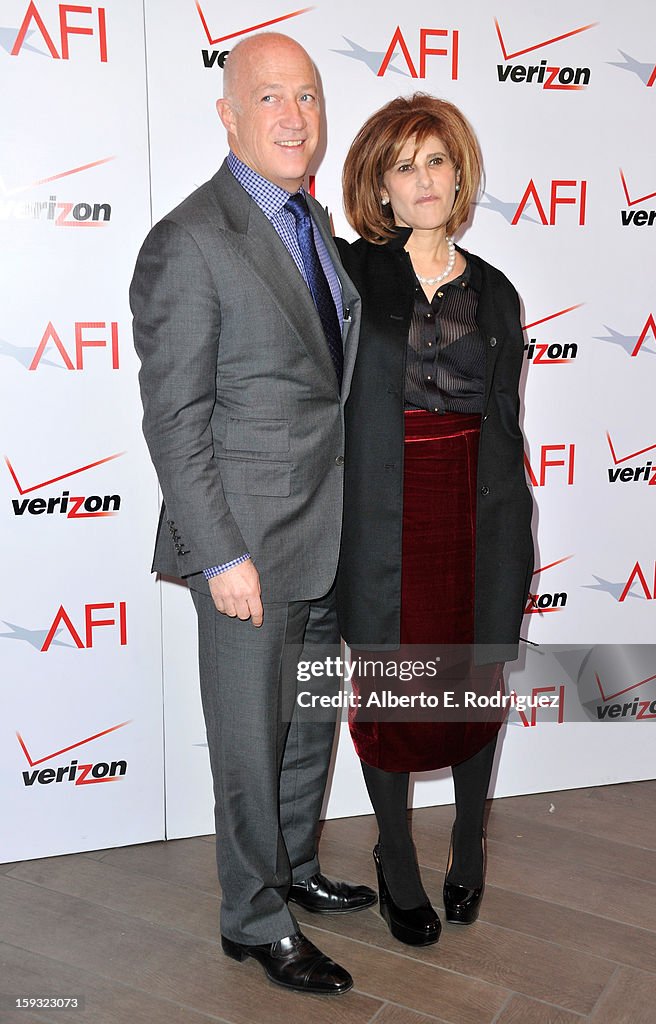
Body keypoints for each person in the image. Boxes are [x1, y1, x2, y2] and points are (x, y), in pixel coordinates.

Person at [130, 32, 375, 996]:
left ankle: (295, 868)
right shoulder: (191, 240)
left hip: (322, 535)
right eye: (269, 97)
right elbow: (176, 417)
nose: (293, 115)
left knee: (307, 725)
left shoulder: (311, 223)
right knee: (246, 737)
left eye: (308, 97)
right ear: (227, 115)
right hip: (244, 550)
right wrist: (219, 550)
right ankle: (252, 916)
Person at [335, 94, 534, 946]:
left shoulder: (496, 292)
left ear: (460, 175)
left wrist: (516, 529)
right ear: (380, 186)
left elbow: (505, 422)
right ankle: (396, 856)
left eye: (437, 161)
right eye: (403, 165)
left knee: (474, 683)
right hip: (382, 515)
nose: (423, 179)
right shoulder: (349, 274)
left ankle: (466, 841)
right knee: (389, 691)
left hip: (477, 514)